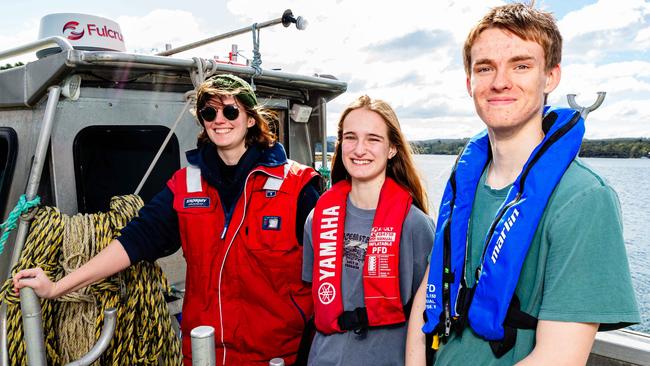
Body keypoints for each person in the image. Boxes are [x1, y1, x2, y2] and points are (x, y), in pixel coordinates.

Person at [13, 74, 321, 365]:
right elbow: (132, 243)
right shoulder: (185, 186)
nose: (220, 121)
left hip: (279, 355)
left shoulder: (296, 187)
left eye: (230, 111)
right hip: (203, 353)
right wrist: (57, 287)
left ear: (251, 119)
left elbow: (327, 273)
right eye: (209, 113)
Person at [406, 3, 640, 365]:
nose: (500, 81)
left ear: (550, 77)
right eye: (485, 68)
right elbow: (431, 287)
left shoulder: (583, 198)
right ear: (469, 82)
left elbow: (559, 358)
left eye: (521, 65)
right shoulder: (464, 180)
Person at [302, 95, 435, 365]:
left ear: (392, 149)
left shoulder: (416, 226)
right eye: (350, 138)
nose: (359, 149)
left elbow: (429, 314)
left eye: (373, 139)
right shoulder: (317, 219)